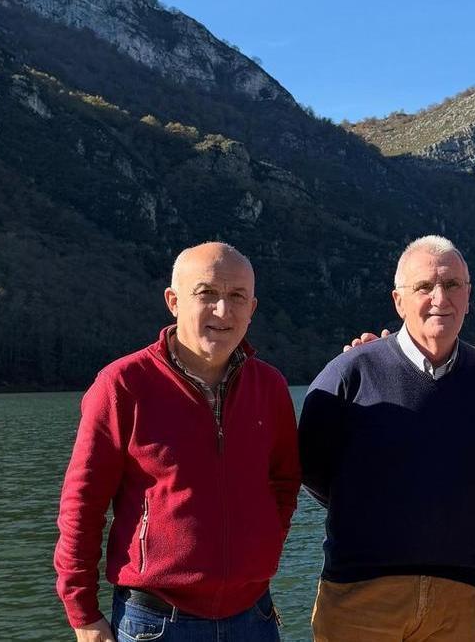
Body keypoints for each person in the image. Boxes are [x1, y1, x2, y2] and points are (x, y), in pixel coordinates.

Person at [54, 242, 301, 642]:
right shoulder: (123, 385)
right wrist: (82, 612)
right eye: (207, 294)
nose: (223, 311)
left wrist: (263, 547)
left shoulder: (269, 387)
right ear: (173, 300)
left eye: (237, 297)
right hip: (156, 623)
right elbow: (82, 504)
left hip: (255, 617)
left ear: (252, 308)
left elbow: (284, 481)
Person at [299, 236, 475, 642]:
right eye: (424, 287)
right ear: (398, 301)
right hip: (359, 593)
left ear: (469, 296)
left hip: (458, 594)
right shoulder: (351, 372)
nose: (441, 298)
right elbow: (311, 467)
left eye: (453, 285)